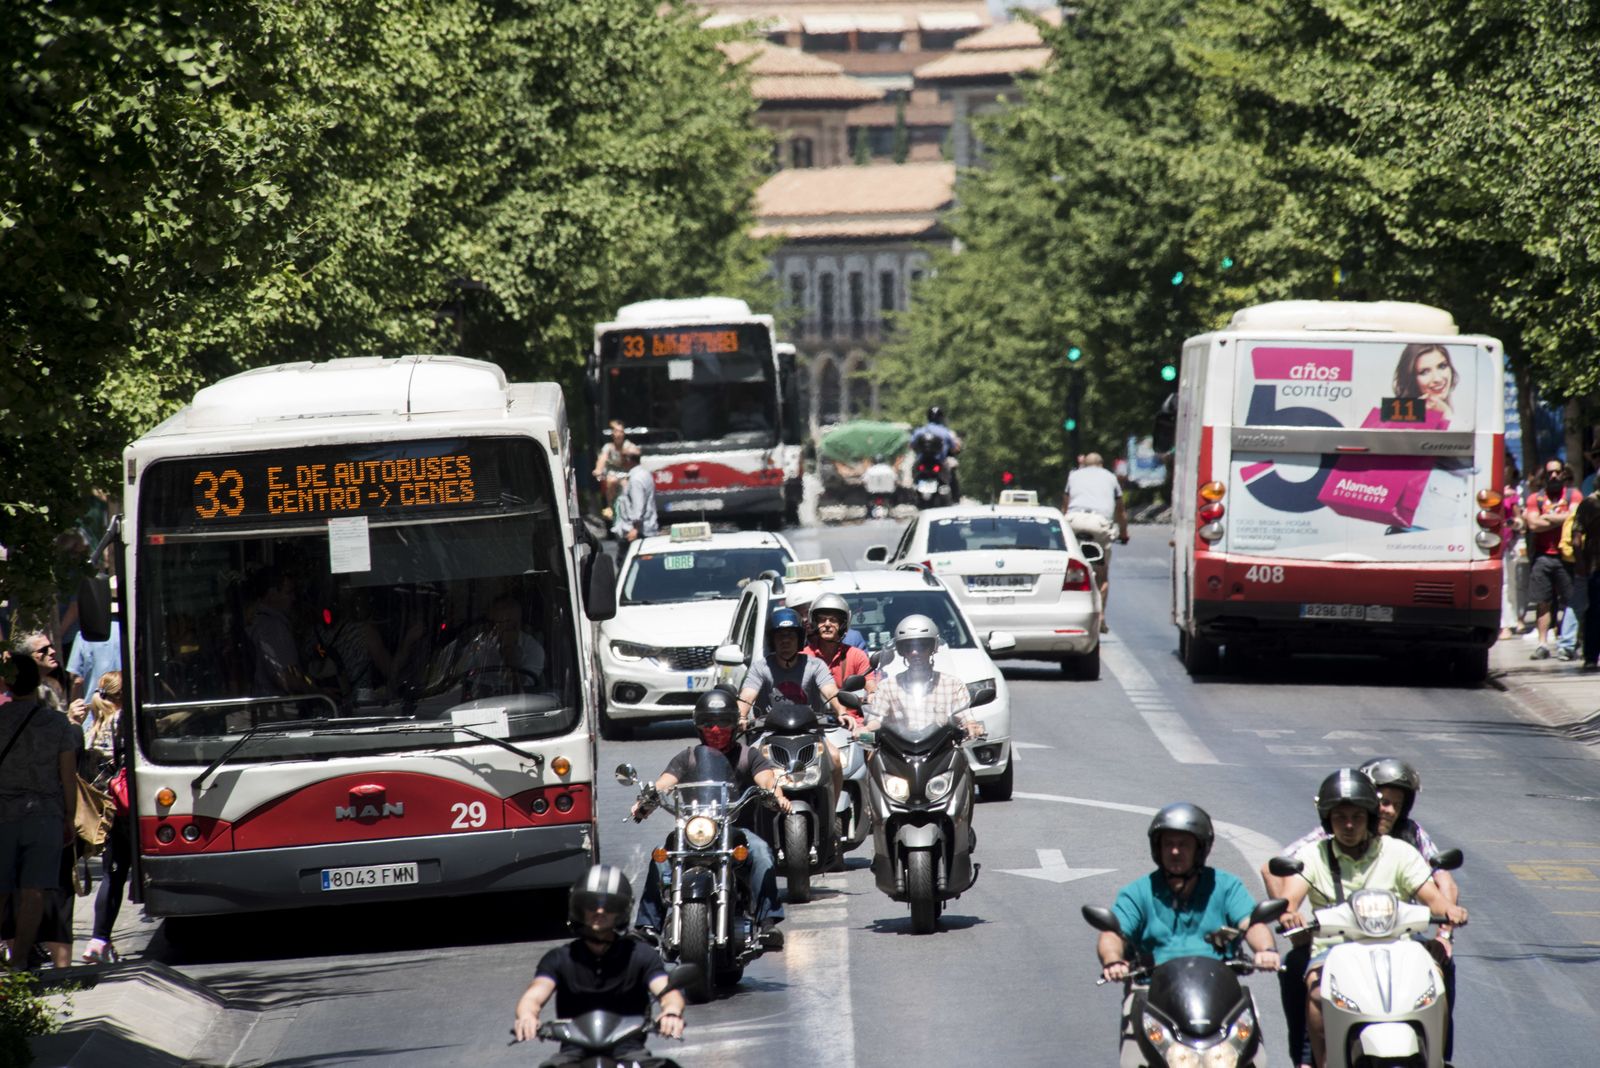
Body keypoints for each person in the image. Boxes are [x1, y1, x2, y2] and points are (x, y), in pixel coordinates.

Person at [1264, 759, 1460, 1066]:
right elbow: (1290, 896)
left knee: (1436, 982)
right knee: (1316, 994)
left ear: (1370, 817)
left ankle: (1437, 1057)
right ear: (1328, 820)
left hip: (1400, 946)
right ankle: (1320, 1059)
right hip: (1333, 950)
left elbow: (1433, 895)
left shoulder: (1400, 851)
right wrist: (1290, 914)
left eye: (1357, 816)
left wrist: (1449, 911)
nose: (1350, 825)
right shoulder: (1314, 854)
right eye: (1340, 818)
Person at [1096, 803, 1281, 1068]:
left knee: (1255, 1058)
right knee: (1134, 1056)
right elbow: (1113, 933)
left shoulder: (1226, 886)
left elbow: (1252, 923)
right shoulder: (1137, 892)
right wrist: (1113, 960)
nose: (1175, 851)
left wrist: (1266, 951)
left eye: (1183, 844)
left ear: (1200, 849)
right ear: (1157, 849)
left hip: (1220, 995)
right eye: (1168, 844)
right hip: (1152, 995)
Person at [632, 689, 788, 945]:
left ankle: (767, 923)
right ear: (699, 726)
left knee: (761, 853)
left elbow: (768, 779)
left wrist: (775, 794)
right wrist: (645, 800)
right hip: (695, 831)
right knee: (661, 857)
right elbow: (664, 783)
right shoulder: (688, 757)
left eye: (724, 723)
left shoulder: (749, 756)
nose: (716, 729)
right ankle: (649, 925)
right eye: (708, 724)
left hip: (736, 832)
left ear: (735, 725)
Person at [513, 865, 685, 1065]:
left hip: (629, 1052)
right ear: (579, 907)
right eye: (591, 904)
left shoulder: (641, 955)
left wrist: (671, 1011)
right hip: (573, 1053)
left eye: (609, 905)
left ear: (621, 910)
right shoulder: (559, 958)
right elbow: (534, 995)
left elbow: (667, 991)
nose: (600, 910)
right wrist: (527, 1015)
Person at [0, 651, 79, 972]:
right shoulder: (57, 723)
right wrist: (70, 818)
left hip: (3, 815)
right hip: (45, 816)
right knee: (34, 891)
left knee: (2, 889)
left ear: (6, 682)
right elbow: (68, 776)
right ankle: (19, 961)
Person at [738, 608, 854, 798]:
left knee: (835, 758)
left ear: (799, 639)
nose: (785, 641)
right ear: (772, 640)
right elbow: (747, 696)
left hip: (811, 732)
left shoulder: (815, 665)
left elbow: (831, 692)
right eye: (780, 636)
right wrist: (741, 716)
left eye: (790, 636)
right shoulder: (761, 667)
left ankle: (833, 810)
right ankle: (750, 815)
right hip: (768, 733)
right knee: (745, 763)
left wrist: (842, 711)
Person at [857, 615, 984, 740]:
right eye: (908, 647)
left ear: (933, 648)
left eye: (922, 646)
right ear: (901, 651)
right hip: (899, 752)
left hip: (941, 750)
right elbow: (877, 719)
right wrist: (865, 730)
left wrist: (971, 726)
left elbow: (964, 716)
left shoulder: (953, 685)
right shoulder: (887, 686)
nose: (914, 652)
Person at [81, 673, 127, 963]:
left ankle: (100, 941)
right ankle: (99, 939)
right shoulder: (121, 720)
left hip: (102, 808)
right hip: (121, 807)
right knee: (116, 873)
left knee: (112, 874)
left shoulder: (94, 726)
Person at [1062, 453, 1129, 633]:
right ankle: (1100, 617)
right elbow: (1120, 511)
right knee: (1102, 574)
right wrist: (1123, 533)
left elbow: (1065, 505)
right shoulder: (1110, 477)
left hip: (1074, 521)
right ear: (1101, 464)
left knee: (1071, 568)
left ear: (1085, 464)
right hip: (1098, 524)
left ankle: (1070, 613)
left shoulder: (1074, 476)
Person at [1523, 460, 1582, 659]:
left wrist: (1546, 518)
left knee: (1571, 601)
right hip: (1542, 557)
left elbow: (1574, 516)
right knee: (1543, 602)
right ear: (1544, 476)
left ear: (1563, 473)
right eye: (1550, 473)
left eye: (1558, 472)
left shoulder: (1573, 494)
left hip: (1567, 557)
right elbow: (1532, 524)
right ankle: (1543, 644)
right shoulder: (1535, 498)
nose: (1554, 476)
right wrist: (1559, 517)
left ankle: (1569, 642)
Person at [801, 594, 875, 714]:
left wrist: (872, 693)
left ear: (843, 624)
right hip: (813, 721)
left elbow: (869, 682)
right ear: (814, 622)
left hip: (851, 721)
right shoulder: (803, 657)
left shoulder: (857, 655)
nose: (827, 624)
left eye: (833, 620)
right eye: (822, 619)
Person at [65, 620, 121, 734]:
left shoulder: (85, 636)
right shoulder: (130, 632)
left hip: (92, 716)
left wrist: (75, 708)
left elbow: (77, 680)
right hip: (123, 710)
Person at [1391, 343, 1459, 425]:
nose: (1437, 379)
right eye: (1424, 372)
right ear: (1411, 379)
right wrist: (1446, 415)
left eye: (1442, 366)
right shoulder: (1399, 419)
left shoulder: (1445, 411)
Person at [910, 405, 963, 499]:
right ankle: (955, 497)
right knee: (952, 472)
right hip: (939, 462)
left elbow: (912, 445)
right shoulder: (945, 432)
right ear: (941, 417)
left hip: (922, 462)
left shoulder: (920, 431)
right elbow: (954, 448)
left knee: (913, 474)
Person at [611, 443, 660, 543]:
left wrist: (635, 529)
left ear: (629, 459)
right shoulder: (644, 474)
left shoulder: (635, 480)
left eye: (623, 457)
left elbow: (638, 507)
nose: (620, 460)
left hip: (637, 533)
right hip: (645, 530)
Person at [1574, 488, 1600, 670]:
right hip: (1595, 566)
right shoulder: (1589, 504)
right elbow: (1576, 537)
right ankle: (1590, 656)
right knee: (1595, 612)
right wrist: (1580, 562)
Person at [592, 420, 634, 518]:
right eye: (616, 431)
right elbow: (602, 458)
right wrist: (598, 469)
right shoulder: (608, 447)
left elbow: (634, 455)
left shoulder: (628, 445)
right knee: (612, 481)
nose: (618, 434)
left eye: (620, 431)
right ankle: (610, 508)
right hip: (612, 476)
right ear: (612, 434)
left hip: (626, 476)